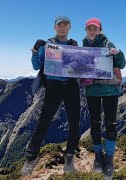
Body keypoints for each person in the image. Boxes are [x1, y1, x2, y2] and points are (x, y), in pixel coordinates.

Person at [21, 16, 80, 176]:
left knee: (74, 123)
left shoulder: (74, 46)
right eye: (59, 25)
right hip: (53, 87)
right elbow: (36, 66)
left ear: (69, 27)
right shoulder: (46, 45)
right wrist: (34, 54)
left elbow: (79, 65)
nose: (62, 27)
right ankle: (30, 159)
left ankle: (69, 160)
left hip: (70, 86)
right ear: (55, 27)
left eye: (65, 25)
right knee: (43, 122)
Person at [81, 17, 126, 177]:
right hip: (92, 91)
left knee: (110, 123)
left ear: (100, 30)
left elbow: (121, 63)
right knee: (94, 123)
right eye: (89, 28)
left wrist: (118, 53)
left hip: (109, 91)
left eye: (95, 28)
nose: (92, 31)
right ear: (86, 30)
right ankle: (98, 156)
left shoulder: (108, 45)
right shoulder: (83, 48)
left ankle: (109, 158)